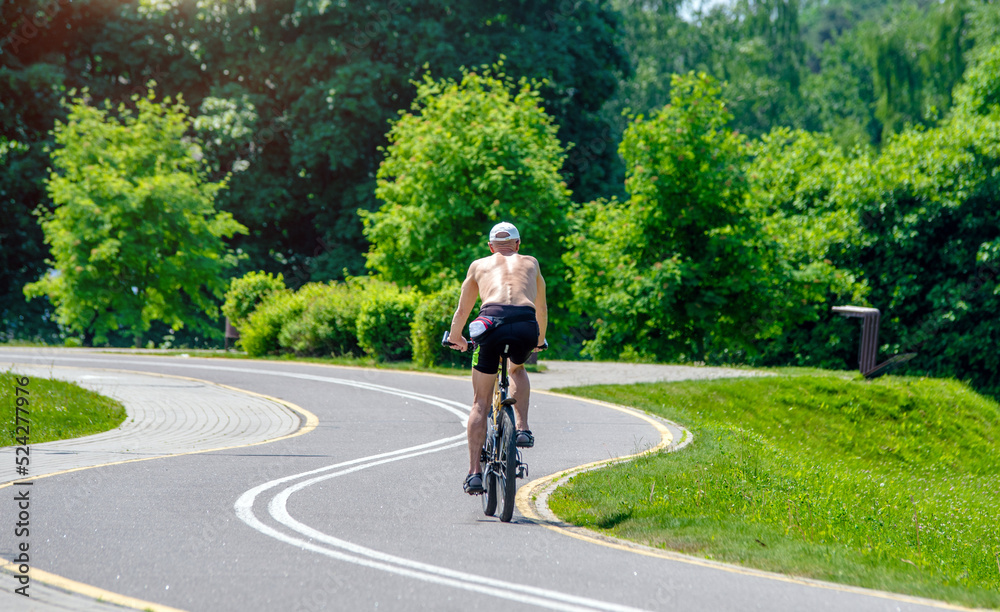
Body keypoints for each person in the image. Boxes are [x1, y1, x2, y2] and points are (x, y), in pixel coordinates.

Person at [447, 221, 547, 495]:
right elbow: (541, 307)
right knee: (516, 369)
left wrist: (456, 338)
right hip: (525, 323)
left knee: (480, 403)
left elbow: (463, 309)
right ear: (518, 244)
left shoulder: (479, 265)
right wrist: (538, 341)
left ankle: (474, 474)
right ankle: (523, 428)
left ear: (490, 247)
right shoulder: (532, 263)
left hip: (491, 322)